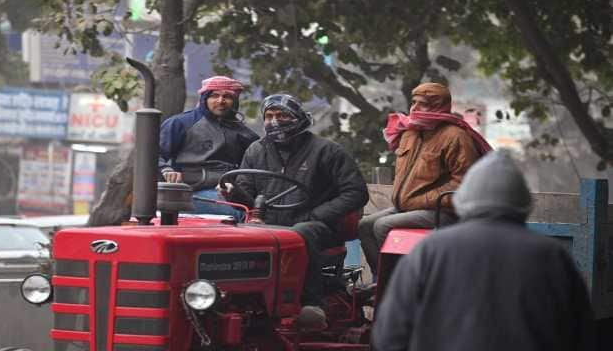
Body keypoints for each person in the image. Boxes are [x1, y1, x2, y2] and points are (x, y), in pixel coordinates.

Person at [372, 149, 594, 351]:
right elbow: (580, 335)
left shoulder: (428, 251)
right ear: (523, 201)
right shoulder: (552, 256)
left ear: (464, 198)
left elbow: (390, 333)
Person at [219, 93, 369, 328]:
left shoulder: (327, 151)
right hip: (269, 224)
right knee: (230, 232)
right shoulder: (255, 151)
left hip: (318, 226)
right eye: (269, 116)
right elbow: (249, 198)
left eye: (282, 115)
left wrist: (318, 214)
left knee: (300, 233)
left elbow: (356, 192)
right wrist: (233, 193)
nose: (275, 121)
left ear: (298, 117)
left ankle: (313, 305)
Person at [358, 82, 491, 274]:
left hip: (444, 213)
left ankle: (397, 284)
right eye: (414, 103)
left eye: (423, 104)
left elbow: (464, 186)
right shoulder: (410, 132)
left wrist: (423, 200)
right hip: (409, 209)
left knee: (383, 226)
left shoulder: (456, 137)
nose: (414, 109)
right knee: (364, 226)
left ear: (438, 106)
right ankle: (379, 282)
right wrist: (412, 202)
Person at [159, 75, 259, 217]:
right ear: (204, 98)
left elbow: (255, 167)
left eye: (227, 97)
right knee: (243, 213)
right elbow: (152, 155)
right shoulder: (181, 123)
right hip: (190, 191)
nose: (220, 101)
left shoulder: (245, 134)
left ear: (235, 101)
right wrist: (165, 169)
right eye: (214, 95)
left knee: (263, 210)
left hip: (229, 190)